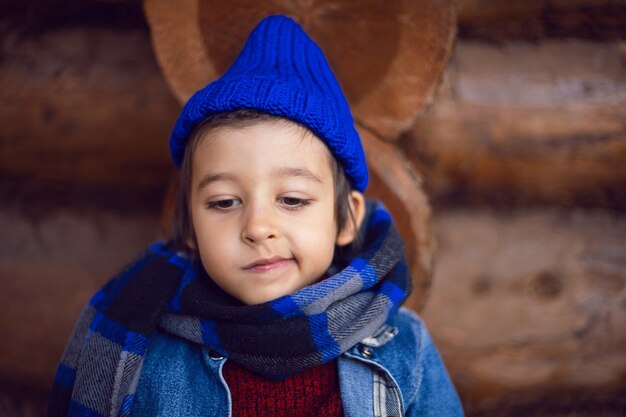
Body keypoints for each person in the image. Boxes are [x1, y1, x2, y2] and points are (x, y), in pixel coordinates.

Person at [47, 15, 463, 417]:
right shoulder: (139, 341)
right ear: (189, 225)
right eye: (225, 202)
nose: (258, 228)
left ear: (347, 218)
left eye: (293, 199)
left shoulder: (405, 348)